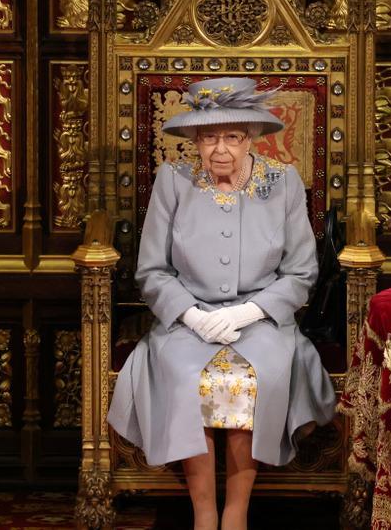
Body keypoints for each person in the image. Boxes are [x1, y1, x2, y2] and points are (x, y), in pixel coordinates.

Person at [108, 77, 337, 530]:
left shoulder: (284, 182)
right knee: (183, 377)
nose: (220, 149)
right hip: (184, 320)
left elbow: (301, 273)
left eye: (232, 136)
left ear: (251, 137)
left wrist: (249, 312)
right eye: (209, 136)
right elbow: (151, 271)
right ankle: (204, 513)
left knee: (257, 379)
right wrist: (191, 314)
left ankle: (236, 513)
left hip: (264, 321)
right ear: (194, 139)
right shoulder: (172, 181)